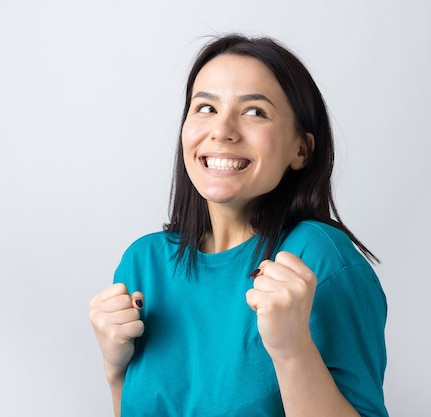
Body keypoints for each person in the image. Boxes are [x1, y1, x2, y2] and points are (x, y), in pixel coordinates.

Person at [89, 34, 389, 417]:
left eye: (254, 112)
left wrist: (292, 349)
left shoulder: (318, 258)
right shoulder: (143, 263)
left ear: (301, 150)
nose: (223, 130)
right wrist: (115, 371)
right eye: (205, 108)